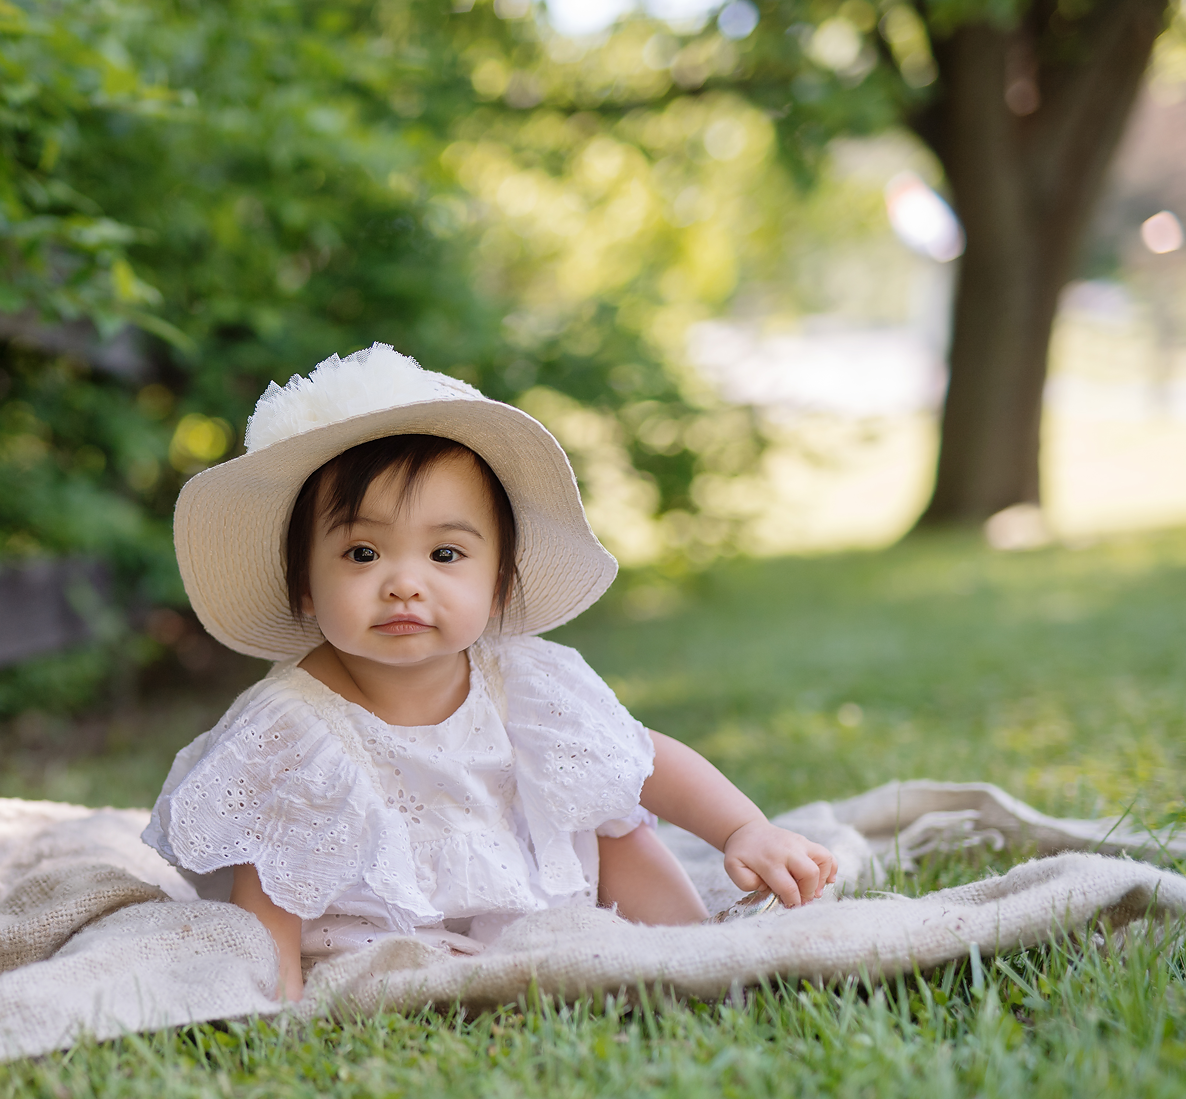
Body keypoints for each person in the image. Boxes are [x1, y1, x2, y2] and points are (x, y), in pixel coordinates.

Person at [143, 345, 838, 1001]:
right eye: (361, 552)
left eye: (446, 554)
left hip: (538, 889)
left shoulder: (522, 681)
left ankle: (691, 954)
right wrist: (279, 994)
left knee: (615, 821)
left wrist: (745, 830)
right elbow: (274, 886)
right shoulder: (292, 727)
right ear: (303, 586)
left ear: (500, 584)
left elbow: (643, 758)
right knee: (332, 921)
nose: (404, 583)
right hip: (386, 929)